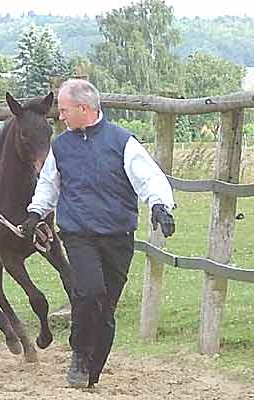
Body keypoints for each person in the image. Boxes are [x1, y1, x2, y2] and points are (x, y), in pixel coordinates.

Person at [20, 79, 175, 389]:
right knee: (89, 292)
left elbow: (149, 177)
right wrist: (35, 213)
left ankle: (94, 365)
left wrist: (160, 205)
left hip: (118, 235)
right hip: (78, 234)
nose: (60, 117)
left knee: (106, 307)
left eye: (64, 110)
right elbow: (49, 184)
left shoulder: (122, 141)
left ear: (84, 108)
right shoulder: (61, 147)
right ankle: (79, 351)